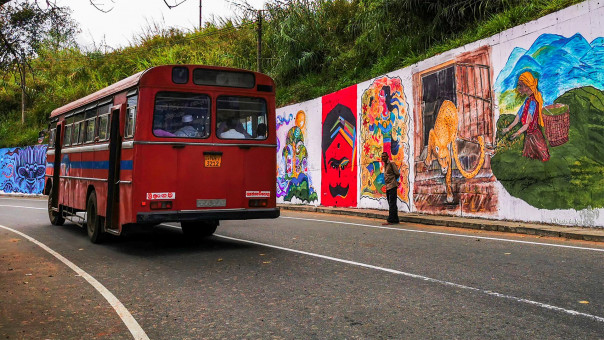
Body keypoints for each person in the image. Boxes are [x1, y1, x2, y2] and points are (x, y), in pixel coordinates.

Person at [502, 72, 550, 162]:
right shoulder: (527, 100)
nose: (518, 89)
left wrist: (517, 133)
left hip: (535, 136)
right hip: (529, 136)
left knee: (543, 158)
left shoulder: (532, 103)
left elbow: (527, 124)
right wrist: (508, 128)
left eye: (520, 86)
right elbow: (518, 117)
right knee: (529, 160)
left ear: (527, 86)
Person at [382, 151, 400, 225]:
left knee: (392, 203)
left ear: (387, 157)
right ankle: (395, 219)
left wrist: (394, 180)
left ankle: (390, 220)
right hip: (388, 186)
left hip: (392, 186)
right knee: (392, 203)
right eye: (382, 156)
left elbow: (397, 173)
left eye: (384, 156)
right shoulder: (385, 165)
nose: (383, 158)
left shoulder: (391, 163)